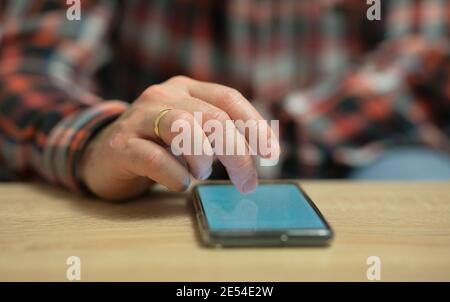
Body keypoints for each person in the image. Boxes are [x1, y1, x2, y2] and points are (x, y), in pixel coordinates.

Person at [0, 0, 449, 200]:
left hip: (356, 157)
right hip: (144, 176)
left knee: (416, 179)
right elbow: (24, 66)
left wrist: (227, 143)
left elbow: (421, 72)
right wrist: (97, 138)